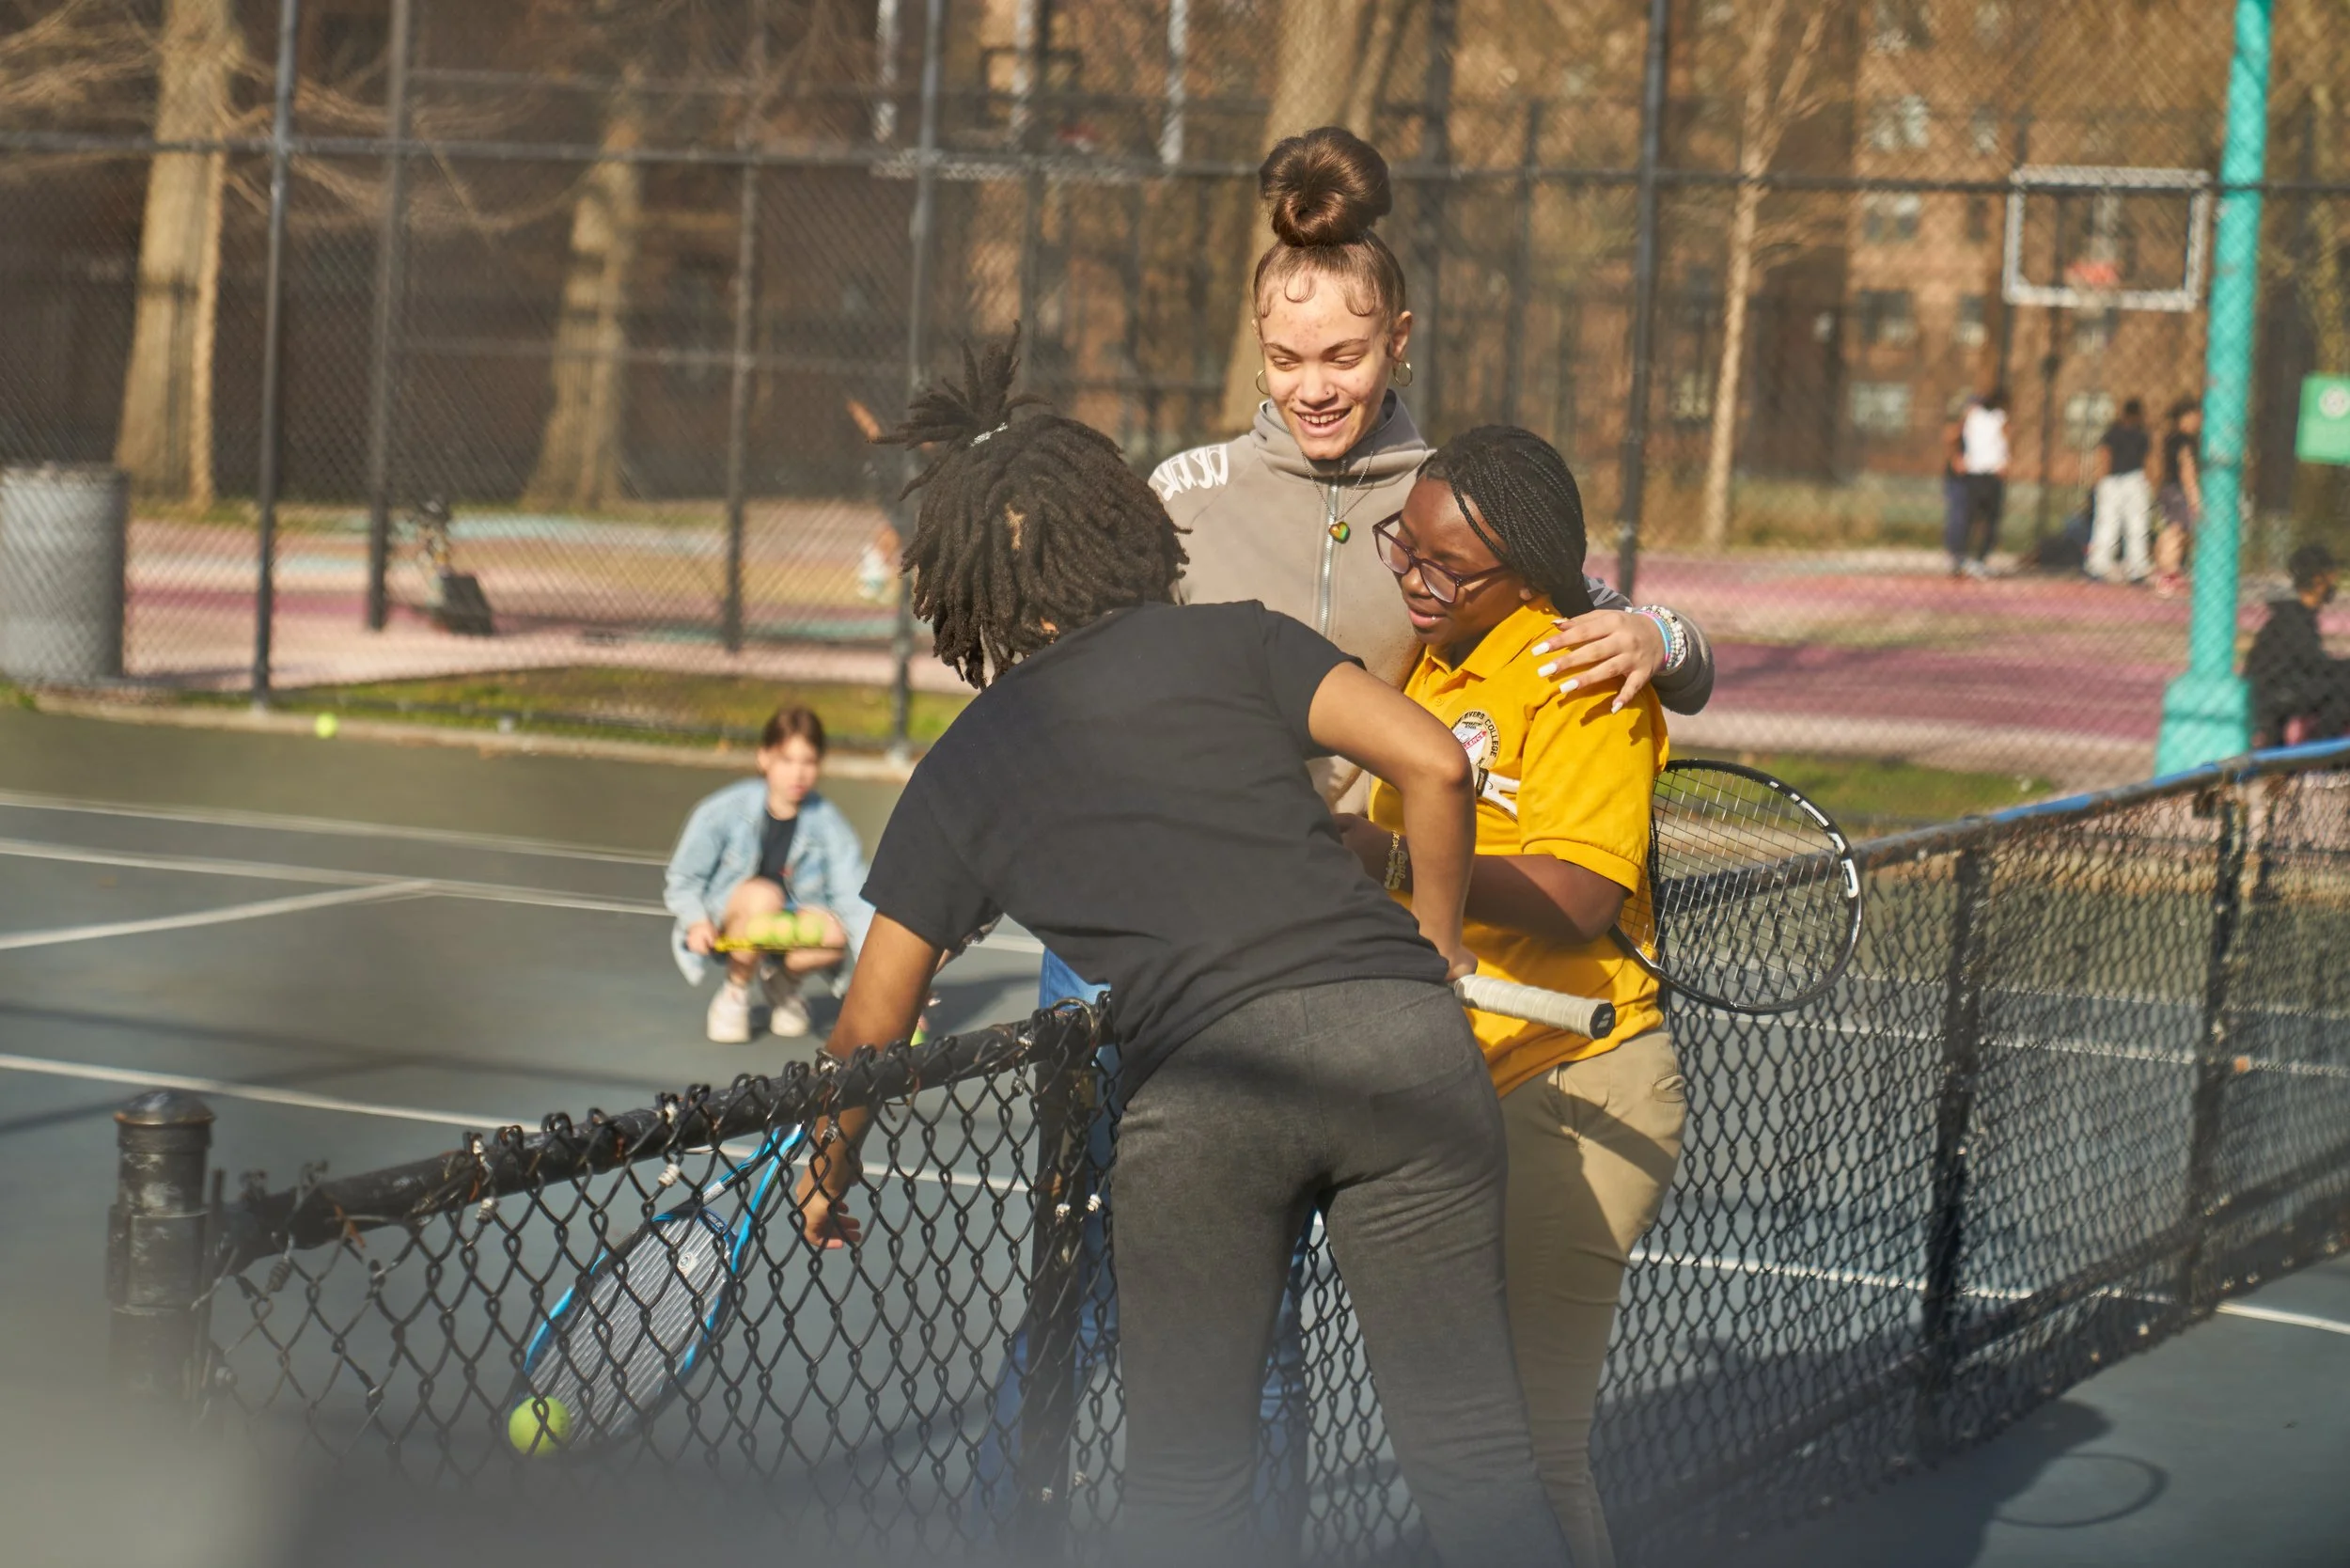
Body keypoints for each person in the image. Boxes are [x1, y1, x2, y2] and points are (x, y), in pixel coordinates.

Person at [979, 122, 1717, 1530]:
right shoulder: (1183, 498)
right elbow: (1073, 684)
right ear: (1255, 347)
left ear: (1399, 344)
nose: (1313, 388)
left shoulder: (1457, 513)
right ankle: (1003, 1534)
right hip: (1161, 945)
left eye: (1343, 357)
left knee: (1269, 1327)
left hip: (1338, 972)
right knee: (1072, 1292)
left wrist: (1665, 633)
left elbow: (1619, 636)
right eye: (1286, 358)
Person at [791, 335, 1574, 1567]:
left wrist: (826, 1167)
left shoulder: (973, 761)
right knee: (1478, 1466)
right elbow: (1431, 762)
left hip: (1210, 1103)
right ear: (1123, 529)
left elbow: (872, 1025)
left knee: (1191, 1494)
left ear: (970, 590)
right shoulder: (1241, 644)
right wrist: (1427, 951)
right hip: (1408, 1054)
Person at [1337, 426, 1679, 1568]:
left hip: (1575, 1090)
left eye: (1447, 566)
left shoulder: (1579, 671)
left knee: (1530, 1458)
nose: (1414, 579)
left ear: (1530, 576)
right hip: (1450, 1091)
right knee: (1463, 1455)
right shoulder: (1430, 661)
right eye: (1406, 548)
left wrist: (1394, 860)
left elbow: (1582, 894)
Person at [663, 706, 870, 1043]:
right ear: (764, 758)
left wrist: (878, 980)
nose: (798, 774)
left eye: (809, 761)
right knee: (764, 896)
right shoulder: (722, 811)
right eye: (787, 760)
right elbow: (684, 880)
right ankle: (735, 993)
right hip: (732, 923)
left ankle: (782, 983)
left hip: (785, 926)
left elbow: (855, 901)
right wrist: (696, 921)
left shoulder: (829, 823)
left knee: (836, 932)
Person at [2245, 543, 2350, 747]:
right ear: (2318, 579)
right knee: (2342, 690)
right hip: (2274, 691)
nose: (2333, 583)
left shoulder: (2298, 614)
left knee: (2342, 683)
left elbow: (2313, 664)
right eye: (2330, 576)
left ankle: (2322, 753)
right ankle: (2322, 756)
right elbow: (2314, 663)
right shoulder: (2293, 618)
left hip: (2288, 684)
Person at [2086, 397, 2154, 584]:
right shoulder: (2133, 434)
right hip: (2127, 480)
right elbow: (2105, 456)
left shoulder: (2118, 433)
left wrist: (2099, 481)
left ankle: (2103, 564)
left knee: (2112, 523)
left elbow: (2103, 457)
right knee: (2132, 524)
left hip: (2120, 480)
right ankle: (2134, 566)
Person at [1956, 386, 2010, 577]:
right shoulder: (1977, 415)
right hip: (1979, 472)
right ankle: (1965, 559)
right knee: (1976, 519)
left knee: (1986, 519)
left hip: (1990, 472)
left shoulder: (1991, 417)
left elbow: (2004, 441)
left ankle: (1976, 560)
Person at [2154, 397, 2203, 599]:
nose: (2198, 421)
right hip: (2178, 490)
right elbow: (2187, 470)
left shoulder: (2170, 438)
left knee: (2176, 531)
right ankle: (2167, 574)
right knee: (2176, 530)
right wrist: (2194, 498)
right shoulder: (2184, 441)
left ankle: (2169, 571)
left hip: (2168, 488)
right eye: (2195, 417)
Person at [1940, 395, 1975, 576]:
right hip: (1957, 479)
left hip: (1976, 477)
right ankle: (1954, 555)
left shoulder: (1980, 429)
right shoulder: (1957, 428)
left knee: (1972, 517)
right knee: (1957, 516)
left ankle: (1967, 556)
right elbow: (1948, 440)